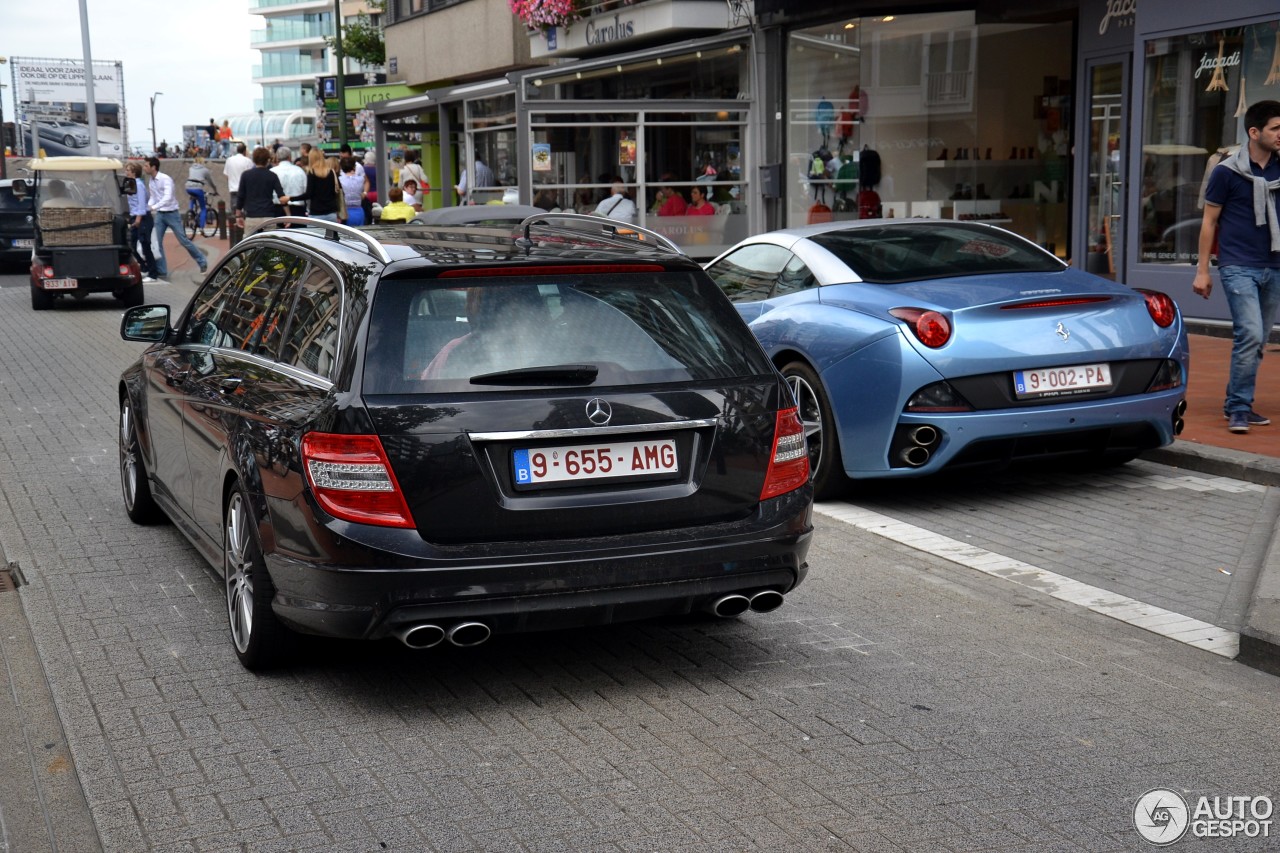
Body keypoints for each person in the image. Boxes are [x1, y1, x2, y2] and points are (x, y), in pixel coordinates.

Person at [1193, 100, 1280, 434]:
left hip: (1274, 265)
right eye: (1275, 128)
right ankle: (1240, 409)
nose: (1279, 135)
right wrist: (1202, 270)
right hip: (1237, 265)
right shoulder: (1226, 172)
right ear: (1254, 132)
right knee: (1251, 334)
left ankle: (1236, 402)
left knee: (1257, 342)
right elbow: (1209, 222)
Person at [143, 157, 208, 276]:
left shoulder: (165, 179)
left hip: (172, 213)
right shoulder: (151, 181)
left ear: (153, 167)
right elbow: (153, 197)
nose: (144, 167)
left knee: (183, 240)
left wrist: (154, 206)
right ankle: (162, 270)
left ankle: (202, 261)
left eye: (146, 165)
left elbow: (168, 197)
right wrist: (148, 206)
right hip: (160, 214)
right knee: (157, 242)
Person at [236, 146, 291, 234]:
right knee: (270, 245)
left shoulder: (246, 175)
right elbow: (281, 197)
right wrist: (288, 215)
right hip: (268, 216)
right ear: (268, 160)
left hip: (251, 216)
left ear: (254, 159)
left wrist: (238, 215)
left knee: (250, 244)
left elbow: (241, 196)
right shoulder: (272, 175)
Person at [124, 162, 159, 281]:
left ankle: (153, 273)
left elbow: (141, 203)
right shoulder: (131, 184)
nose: (126, 172)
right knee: (131, 244)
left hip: (142, 218)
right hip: (135, 217)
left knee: (145, 246)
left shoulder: (139, 185)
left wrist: (138, 219)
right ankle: (144, 267)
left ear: (134, 172)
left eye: (128, 170)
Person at [292, 148, 344, 222]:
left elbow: (308, 194)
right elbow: (338, 190)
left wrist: (291, 198)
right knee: (331, 234)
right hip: (331, 213)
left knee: (314, 233)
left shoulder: (311, 173)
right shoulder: (331, 172)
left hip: (316, 214)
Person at [271, 146, 307, 218]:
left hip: (277, 209)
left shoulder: (272, 172)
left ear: (277, 158)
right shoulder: (299, 171)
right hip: (298, 209)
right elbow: (305, 190)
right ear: (289, 157)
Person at [185, 155, 213, 230]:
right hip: (198, 188)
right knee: (203, 208)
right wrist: (215, 190)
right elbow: (210, 182)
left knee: (192, 197)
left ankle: (191, 212)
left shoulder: (190, 168)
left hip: (188, 188)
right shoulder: (205, 170)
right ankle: (201, 227)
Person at [223, 142, 253, 211]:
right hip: (245, 190)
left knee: (235, 211)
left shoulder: (229, 160)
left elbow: (226, 175)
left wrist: (230, 182)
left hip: (233, 189)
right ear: (245, 151)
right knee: (245, 211)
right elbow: (251, 176)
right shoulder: (248, 161)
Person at [338, 156, 367, 226]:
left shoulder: (339, 179)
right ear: (354, 166)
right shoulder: (360, 179)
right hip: (359, 210)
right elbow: (366, 181)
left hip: (345, 212)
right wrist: (364, 193)